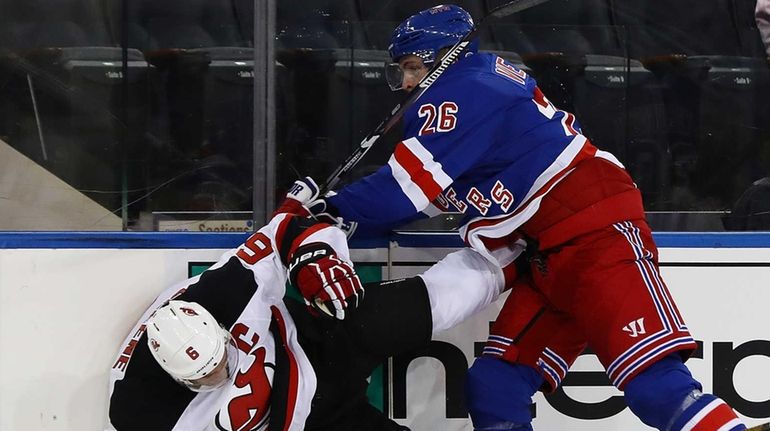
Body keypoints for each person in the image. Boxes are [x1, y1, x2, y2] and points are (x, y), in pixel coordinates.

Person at [294, 5, 748, 431]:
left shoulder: (464, 88)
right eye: (403, 70)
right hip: (548, 258)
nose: (407, 81)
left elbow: (401, 193)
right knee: (495, 387)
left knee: (657, 387)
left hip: (595, 235)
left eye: (413, 66)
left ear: (443, 58)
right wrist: (340, 215)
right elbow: (433, 198)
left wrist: (331, 209)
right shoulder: (479, 84)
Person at [106, 182, 513, 431]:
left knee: (411, 310)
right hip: (314, 424)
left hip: (317, 342)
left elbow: (283, 232)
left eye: (221, 358)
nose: (222, 372)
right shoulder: (143, 415)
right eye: (205, 378)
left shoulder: (221, 294)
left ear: (219, 328)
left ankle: (517, 253)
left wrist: (313, 258)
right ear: (176, 380)